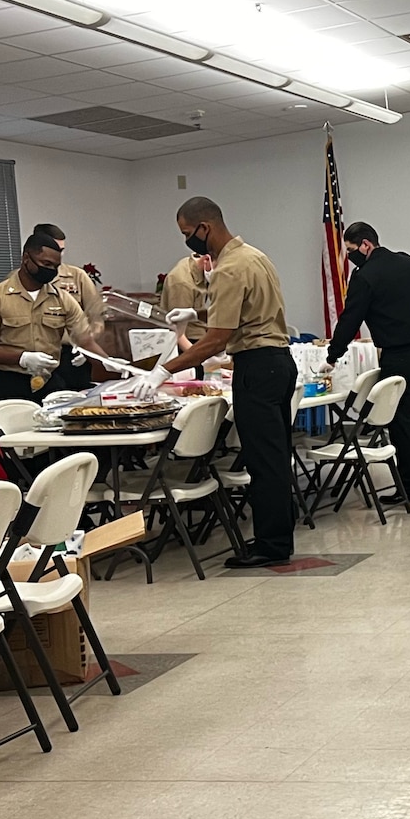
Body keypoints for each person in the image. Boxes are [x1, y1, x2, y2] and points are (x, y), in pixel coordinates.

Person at [130, 197, 294, 568]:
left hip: (257, 365)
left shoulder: (228, 269)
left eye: (187, 233)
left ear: (205, 227)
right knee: (275, 457)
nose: (187, 241)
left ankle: (271, 545)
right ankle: (278, 537)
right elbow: (242, 305)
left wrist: (165, 370)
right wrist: (197, 311)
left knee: (264, 461)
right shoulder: (253, 256)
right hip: (278, 364)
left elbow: (217, 339)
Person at [326, 221, 410, 505]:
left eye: (351, 250)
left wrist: (333, 355)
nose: (351, 257)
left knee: (403, 424)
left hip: (397, 356)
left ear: (366, 245)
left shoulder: (365, 277)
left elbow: (350, 319)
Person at [0, 233, 92, 402]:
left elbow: (86, 335)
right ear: (26, 258)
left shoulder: (61, 298)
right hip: (9, 382)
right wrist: (22, 358)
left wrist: (99, 356)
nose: (51, 271)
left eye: (55, 266)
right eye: (46, 264)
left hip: (50, 380)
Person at [32, 222, 107, 390]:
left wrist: (87, 345)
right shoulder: (21, 280)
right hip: (38, 357)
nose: (59, 255)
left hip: (72, 354)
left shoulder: (76, 276)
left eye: (62, 250)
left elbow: (97, 317)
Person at [159, 251, 212, 348]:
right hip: (189, 342)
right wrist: (200, 358)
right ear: (207, 259)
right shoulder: (182, 283)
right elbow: (177, 332)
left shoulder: (199, 269)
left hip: (203, 335)